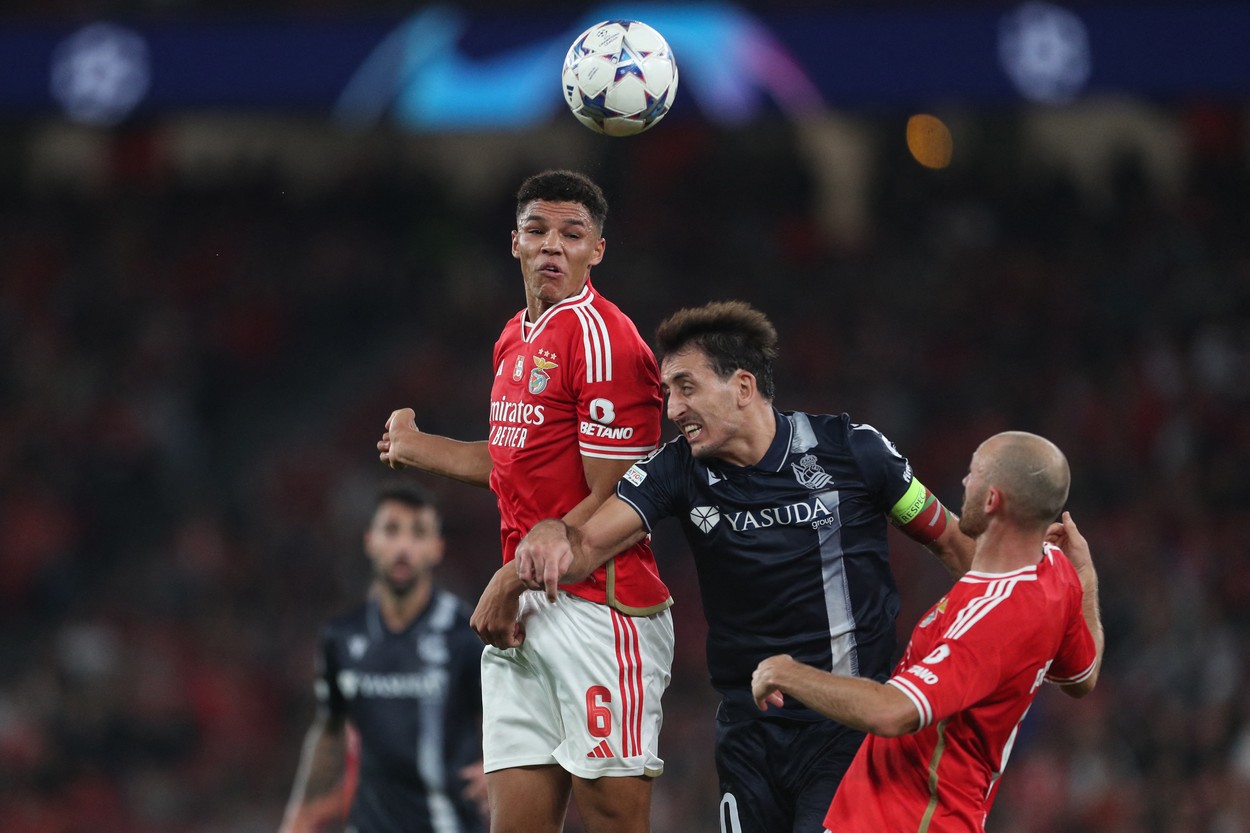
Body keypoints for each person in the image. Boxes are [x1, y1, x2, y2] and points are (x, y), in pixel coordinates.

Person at [515, 300, 976, 833]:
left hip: (848, 727)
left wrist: (984, 653)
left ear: (742, 385)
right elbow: (587, 546)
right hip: (747, 733)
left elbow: (952, 543)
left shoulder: (853, 453)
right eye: (667, 392)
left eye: (686, 387)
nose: (672, 409)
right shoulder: (677, 470)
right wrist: (552, 536)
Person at [376, 170, 672, 833]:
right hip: (525, 612)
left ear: (598, 249)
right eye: (537, 230)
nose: (552, 247)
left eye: (572, 234)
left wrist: (510, 577)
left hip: (600, 606)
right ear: (514, 242)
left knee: (612, 820)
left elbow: (623, 492)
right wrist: (419, 445)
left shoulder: (605, 339)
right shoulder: (514, 336)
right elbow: (515, 459)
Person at [751, 432, 1104, 833]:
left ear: (992, 501)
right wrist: (1086, 576)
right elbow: (1082, 676)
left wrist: (785, 671)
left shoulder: (996, 618)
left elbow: (891, 712)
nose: (964, 482)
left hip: (910, 822)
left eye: (974, 473)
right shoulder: (1056, 572)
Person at [279, 483, 487, 833]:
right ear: (370, 541)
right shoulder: (341, 638)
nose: (403, 547)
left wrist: (498, 766)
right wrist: (299, 812)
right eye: (391, 530)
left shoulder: (464, 635)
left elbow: (514, 712)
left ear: (437, 548)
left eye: (418, 532)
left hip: (448, 824)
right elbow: (330, 732)